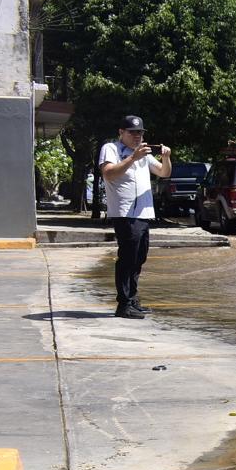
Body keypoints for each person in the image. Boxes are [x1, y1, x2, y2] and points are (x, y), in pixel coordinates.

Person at [98, 115, 171, 319]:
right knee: (128, 258)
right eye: (132, 132)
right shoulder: (111, 149)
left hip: (143, 213)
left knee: (139, 257)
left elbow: (164, 173)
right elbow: (109, 173)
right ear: (121, 132)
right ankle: (123, 304)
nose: (137, 136)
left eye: (140, 132)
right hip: (125, 213)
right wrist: (132, 158)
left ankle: (132, 299)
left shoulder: (143, 154)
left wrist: (166, 157)